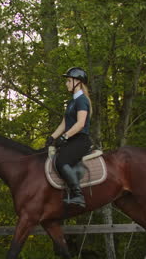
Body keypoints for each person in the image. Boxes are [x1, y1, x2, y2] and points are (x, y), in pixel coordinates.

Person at [45, 67, 93, 208]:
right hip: (72, 139)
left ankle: (78, 195)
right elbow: (64, 123)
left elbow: (80, 124)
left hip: (80, 140)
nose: (66, 83)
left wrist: (65, 137)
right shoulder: (72, 102)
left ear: (77, 82)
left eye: (68, 80)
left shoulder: (82, 100)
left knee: (61, 161)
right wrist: (52, 137)